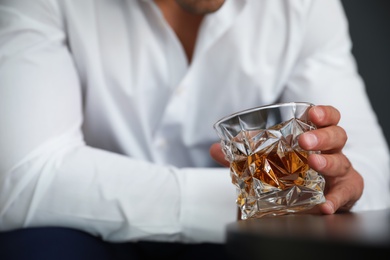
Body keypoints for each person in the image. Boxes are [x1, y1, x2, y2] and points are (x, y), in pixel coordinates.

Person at [0, 0, 389, 259]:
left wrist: (339, 184)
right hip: (79, 235)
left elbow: (375, 169)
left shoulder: (303, 7)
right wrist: (242, 202)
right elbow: (23, 176)